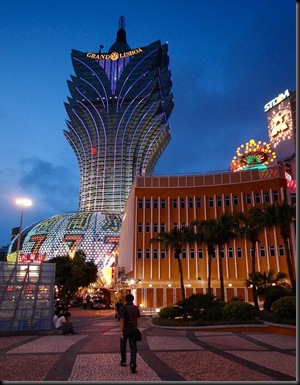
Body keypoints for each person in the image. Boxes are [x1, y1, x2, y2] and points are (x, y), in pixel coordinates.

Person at [119, 294, 140, 374]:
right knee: (133, 347)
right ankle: (133, 364)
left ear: (125, 299)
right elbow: (137, 317)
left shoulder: (122, 308)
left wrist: (121, 332)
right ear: (133, 299)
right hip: (133, 330)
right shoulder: (136, 308)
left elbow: (121, 320)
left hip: (125, 330)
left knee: (123, 346)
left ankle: (123, 361)